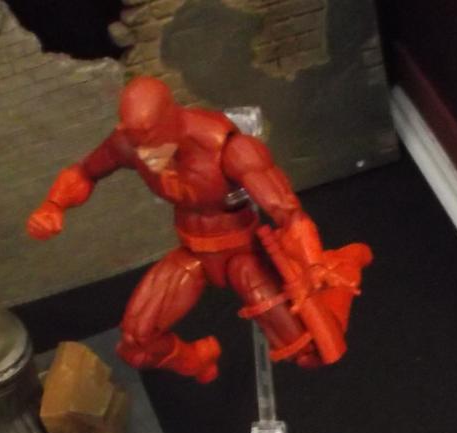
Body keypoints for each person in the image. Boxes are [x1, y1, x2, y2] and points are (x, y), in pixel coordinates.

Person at [28, 76, 370, 382]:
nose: (145, 154)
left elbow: (289, 214)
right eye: (137, 142)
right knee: (136, 342)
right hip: (192, 252)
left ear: (172, 117)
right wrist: (53, 205)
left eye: (151, 140)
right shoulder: (131, 144)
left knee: (308, 353)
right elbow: (84, 172)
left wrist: (313, 266)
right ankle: (197, 360)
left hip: (242, 254)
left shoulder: (228, 148)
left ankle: (345, 265)